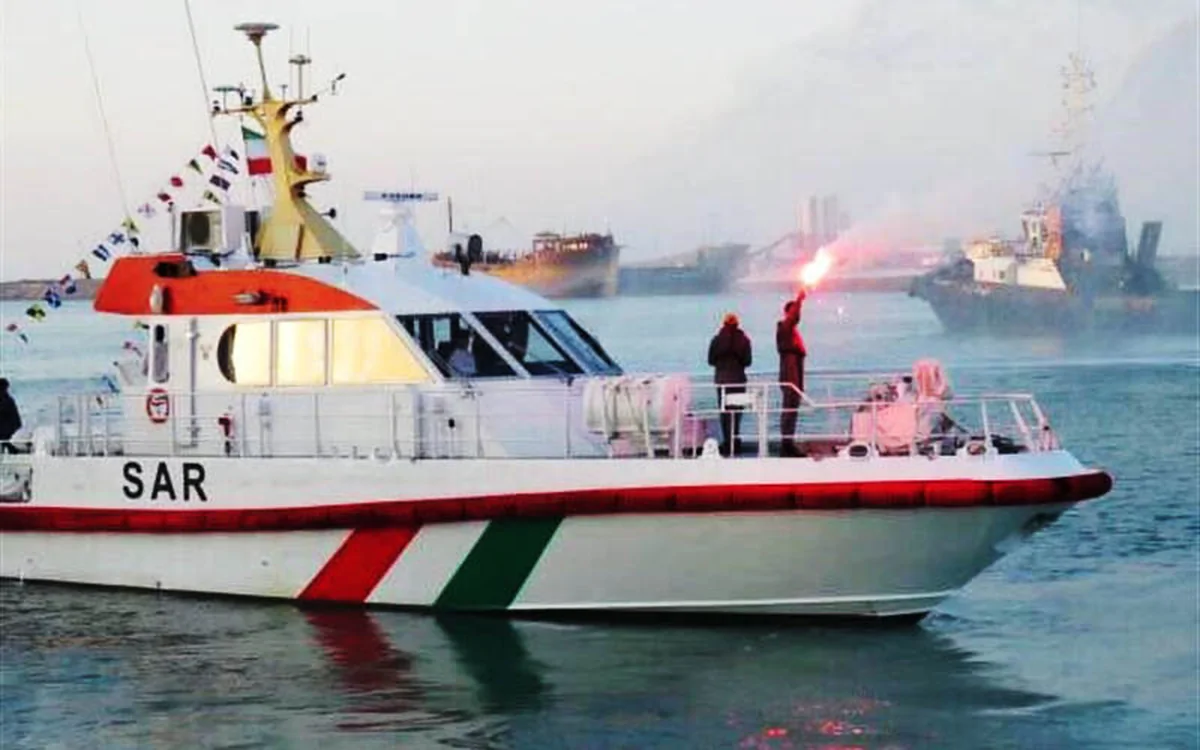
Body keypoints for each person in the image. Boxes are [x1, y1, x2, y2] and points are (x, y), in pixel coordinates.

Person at [707, 312, 752, 456]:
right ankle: (735, 440)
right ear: (737, 324)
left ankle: (727, 442)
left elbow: (710, 360)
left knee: (725, 413)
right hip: (738, 380)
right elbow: (748, 361)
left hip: (722, 380)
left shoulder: (717, 340)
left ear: (724, 324)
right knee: (737, 412)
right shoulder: (744, 340)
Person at [776, 289, 807, 456]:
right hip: (789, 374)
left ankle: (788, 442)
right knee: (789, 408)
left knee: (792, 409)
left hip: (794, 374)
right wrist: (799, 299)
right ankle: (786, 444)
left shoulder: (791, 330)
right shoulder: (785, 328)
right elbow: (793, 317)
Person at [0, 379, 22, 454]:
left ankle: (12, 450)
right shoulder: (7, 399)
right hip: (8, 426)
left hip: (10, 426)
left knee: (3, 439)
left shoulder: (7, 400)